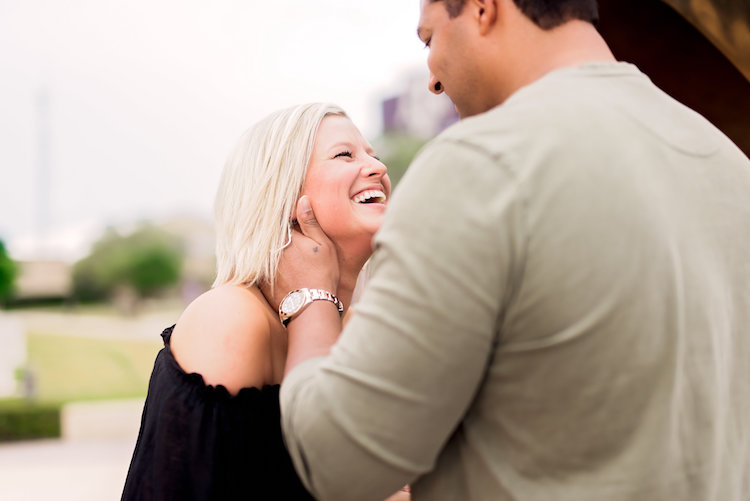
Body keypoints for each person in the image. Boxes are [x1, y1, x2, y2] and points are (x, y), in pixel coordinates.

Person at [266, 1, 750, 500]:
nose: (432, 80)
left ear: (482, 9)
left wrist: (308, 298)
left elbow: (340, 460)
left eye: (429, 38)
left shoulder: (483, 165)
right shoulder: (729, 165)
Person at [120, 102, 409, 500]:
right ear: (284, 194)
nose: (379, 168)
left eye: (374, 156)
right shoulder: (230, 318)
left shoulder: (367, 334)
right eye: (346, 154)